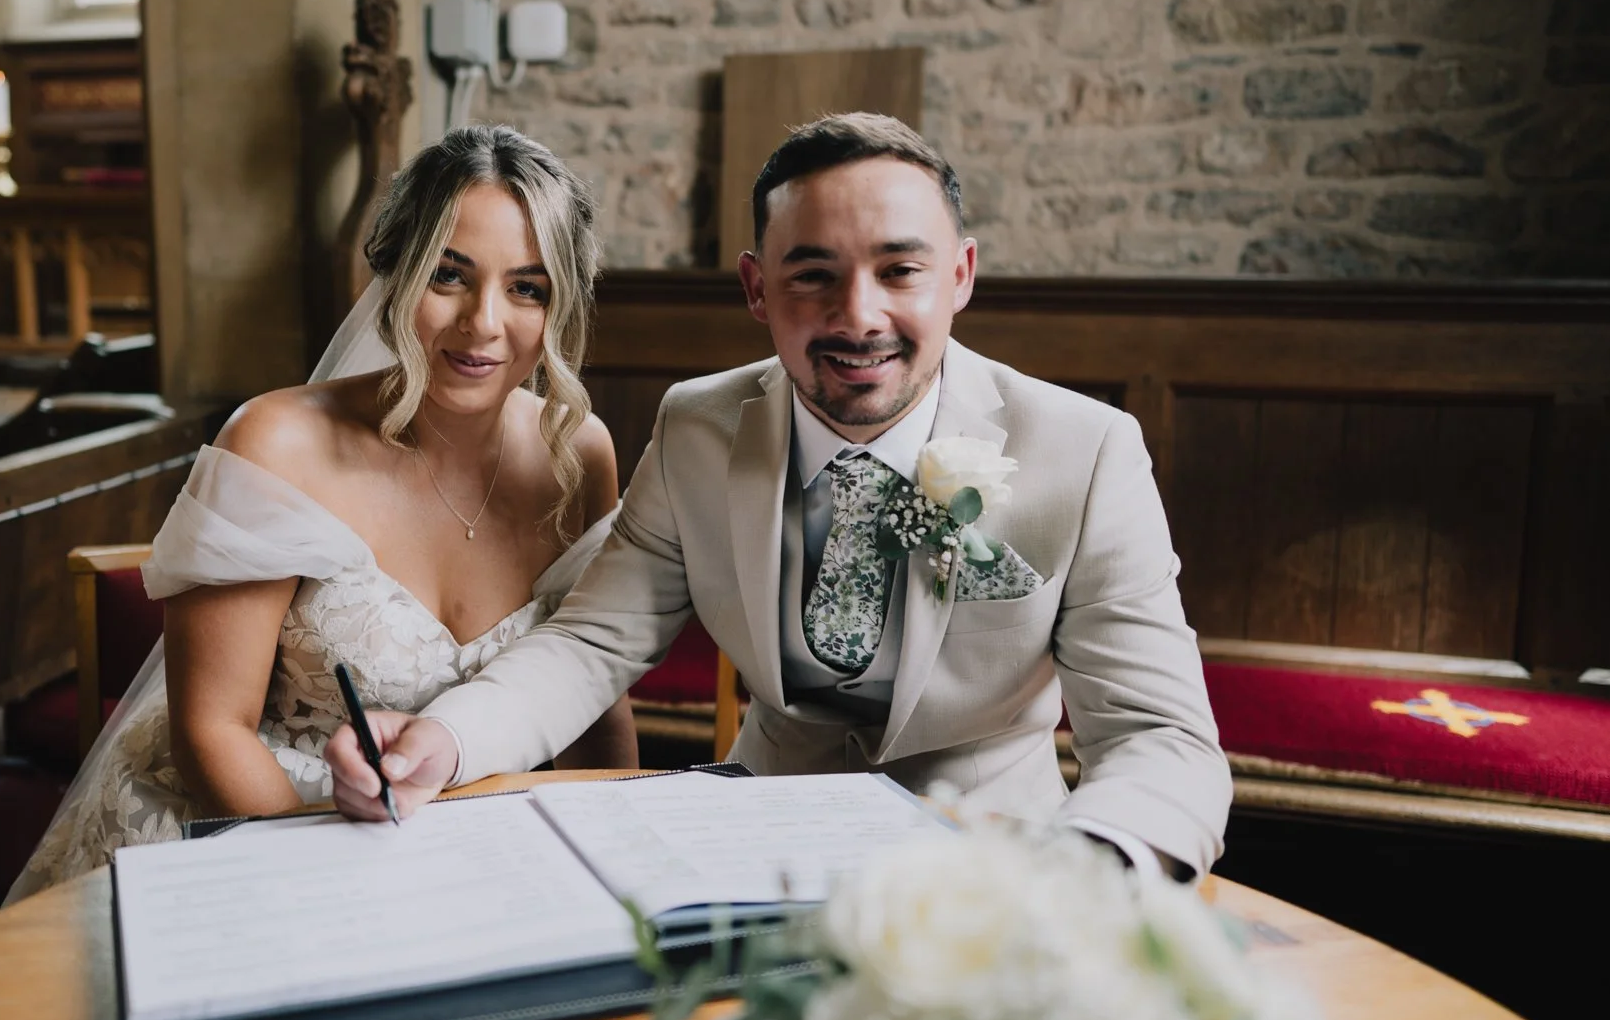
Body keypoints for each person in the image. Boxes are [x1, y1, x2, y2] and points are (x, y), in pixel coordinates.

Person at [329, 112, 1232, 878]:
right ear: (757, 288)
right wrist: (444, 740)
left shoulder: (1083, 450)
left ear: (958, 276)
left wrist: (1089, 873)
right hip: (753, 854)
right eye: (813, 275)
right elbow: (593, 641)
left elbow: (1160, 736)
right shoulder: (697, 428)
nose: (858, 315)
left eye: (898, 270)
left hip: (1000, 865)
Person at [9, 125, 637, 899]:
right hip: (258, 832)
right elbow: (212, 734)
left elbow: (590, 694)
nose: (483, 322)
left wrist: (616, 855)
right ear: (394, 274)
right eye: (448, 276)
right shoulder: (277, 444)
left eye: (526, 288)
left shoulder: (579, 454)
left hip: (480, 847)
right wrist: (337, 889)